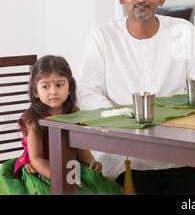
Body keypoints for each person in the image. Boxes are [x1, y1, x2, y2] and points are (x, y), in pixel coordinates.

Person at [76, 0, 195, 194]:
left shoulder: (183, 32)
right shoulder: (102, 36)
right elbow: (88, 93)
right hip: (125, 152)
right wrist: (127, 120)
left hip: (179, 148)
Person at [0, 55, 122, 195]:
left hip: (69, 167)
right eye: (45, 86)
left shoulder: (74, 113)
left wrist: (90, 161)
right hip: (42, 169)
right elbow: (36, 159)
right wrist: (61, 178)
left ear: (69, 87)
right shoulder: (33, 120)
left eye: (59, 85)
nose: (53, 91)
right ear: (35, 92)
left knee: (101, 186)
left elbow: (79, 146)